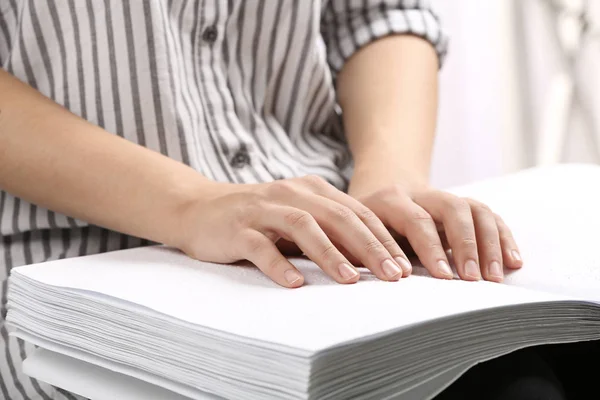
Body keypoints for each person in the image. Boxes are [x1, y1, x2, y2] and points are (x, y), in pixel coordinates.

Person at [0, 1, 525, 399]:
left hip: (327, 225)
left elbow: (377, 13)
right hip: (70, 270)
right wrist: (189, 204)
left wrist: (390, 176)